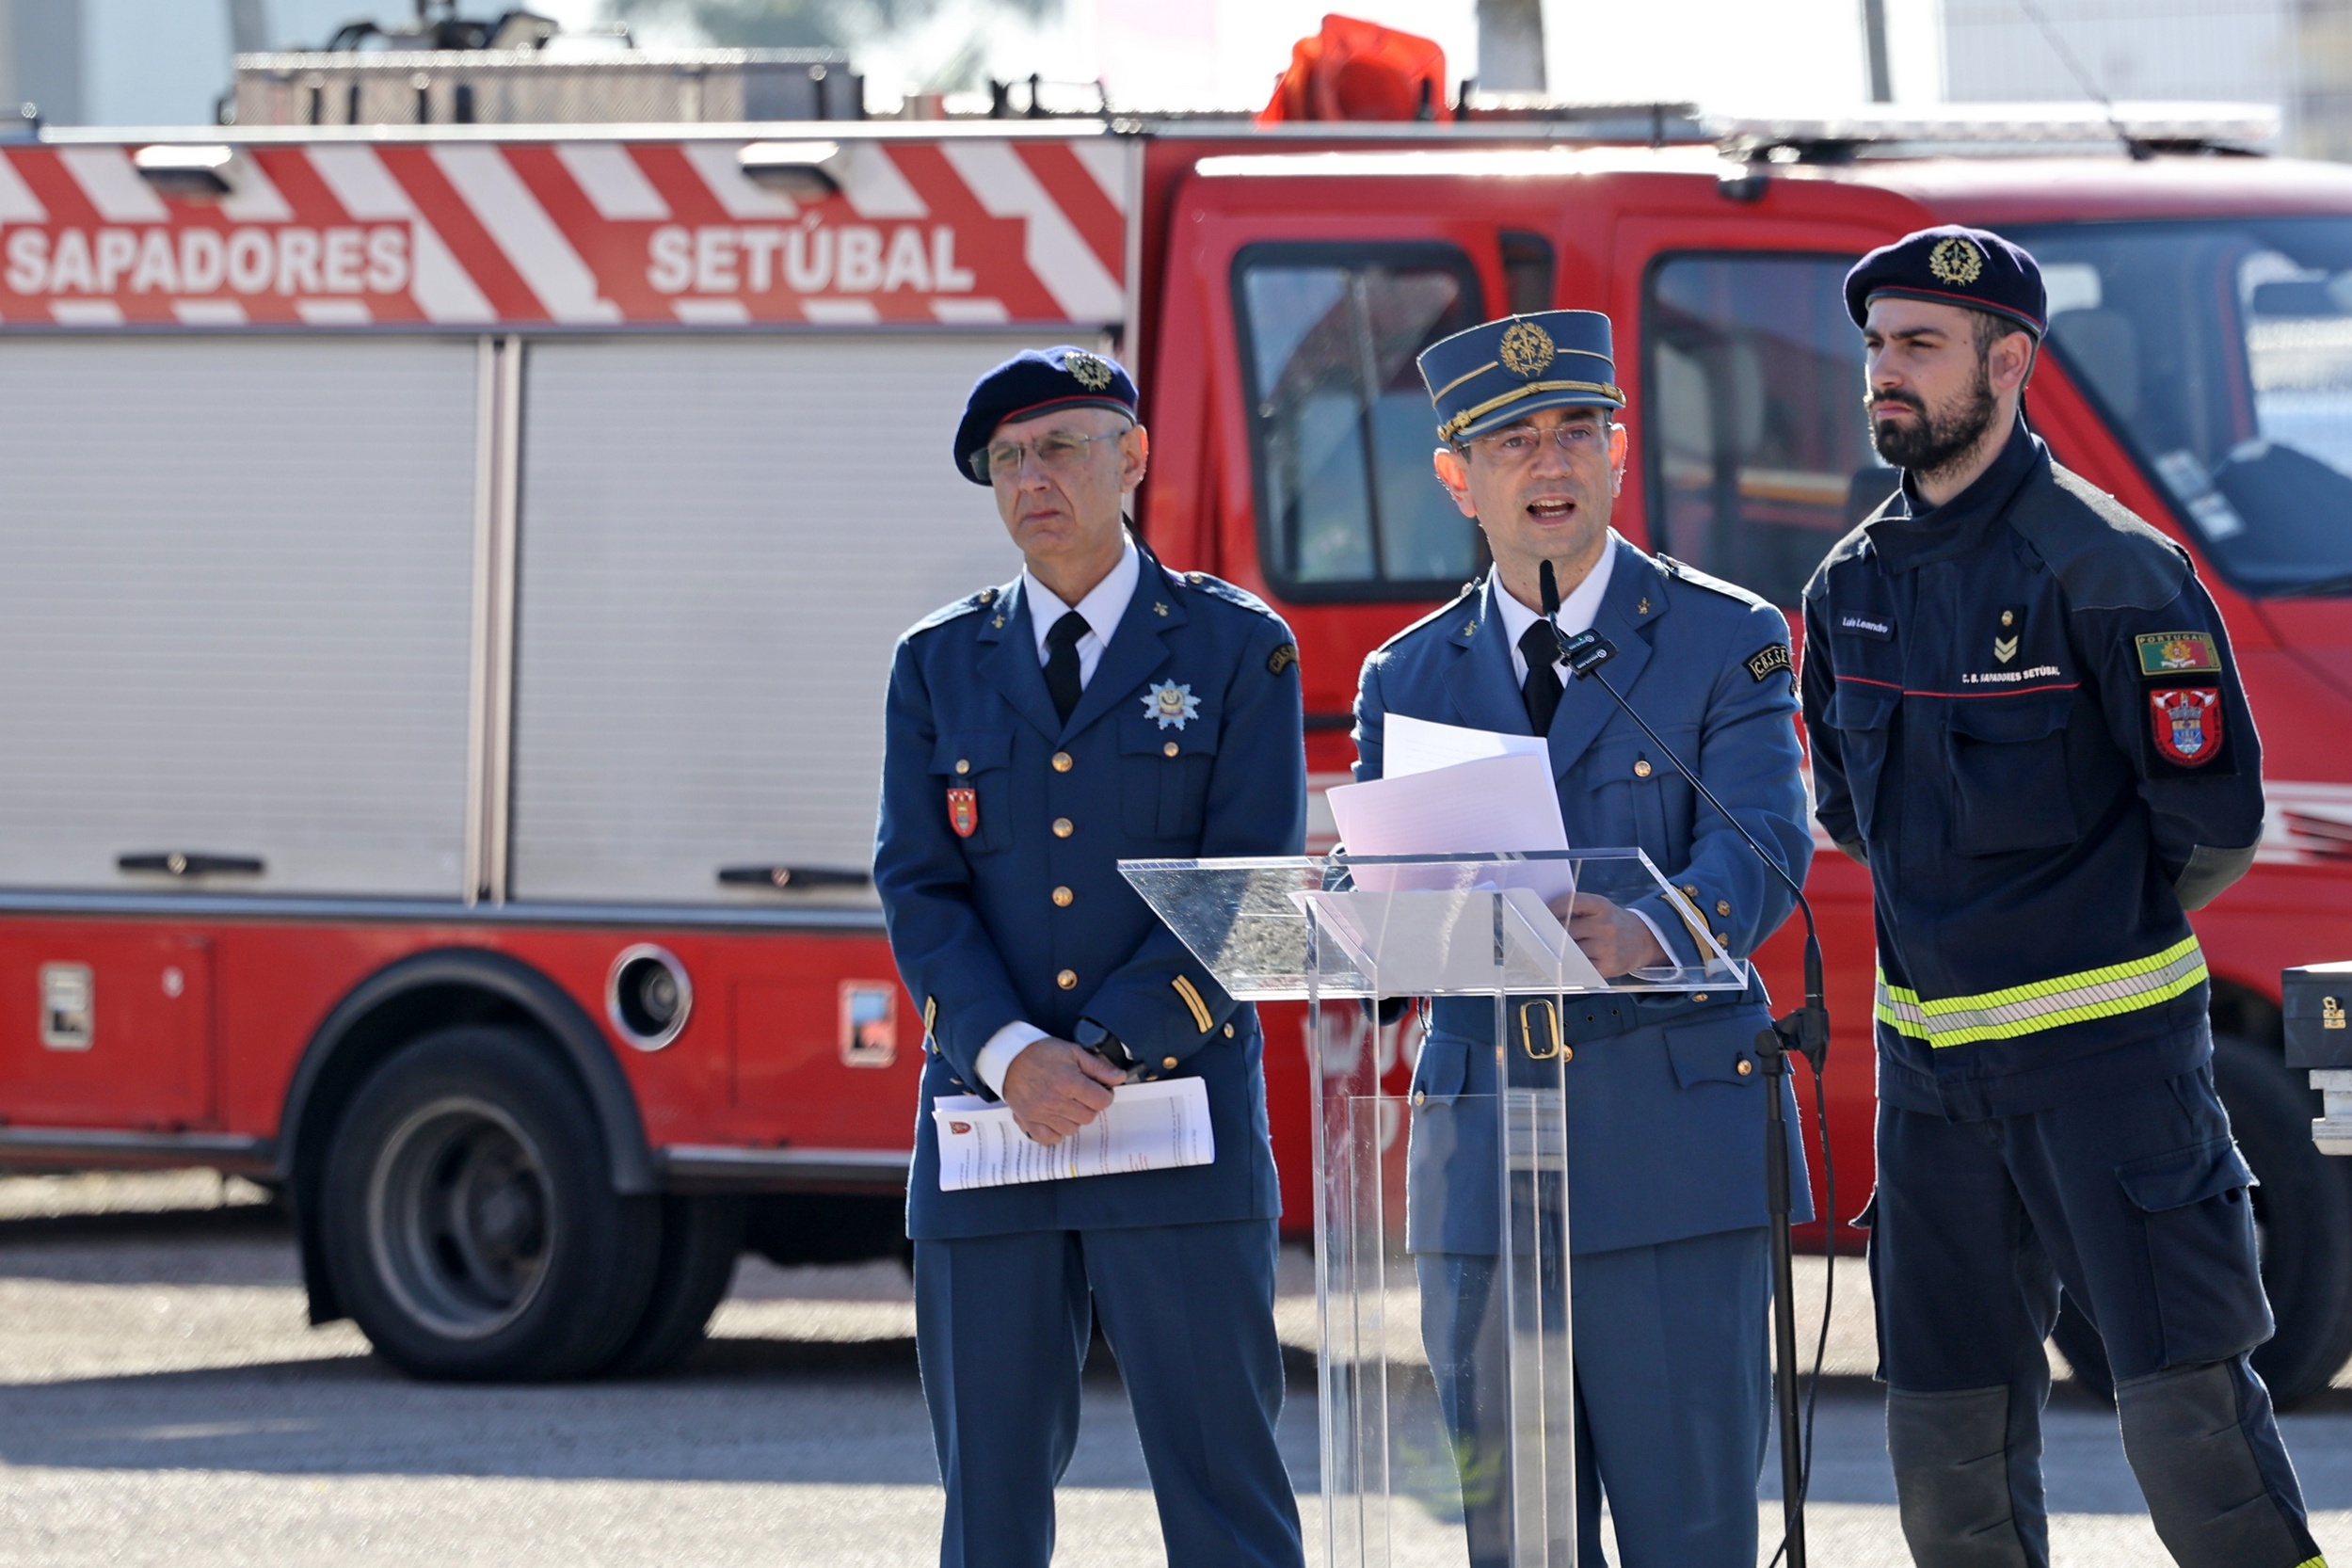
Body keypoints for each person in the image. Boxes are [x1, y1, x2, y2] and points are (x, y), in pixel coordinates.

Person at [1803, 225, 2321, 1568]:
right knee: (1947, 1473)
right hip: (1929, 1105)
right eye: (1876, 347)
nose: (1885, 376)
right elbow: (1853, 816)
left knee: (2195, 1441)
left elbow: (2208, 824)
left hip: (2113, 1084)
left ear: (2010, 361)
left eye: (1919, 345)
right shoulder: (1848, 587)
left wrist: (2080, 942)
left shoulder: (2113, 572)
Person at [1352, 309, 1816, 1567]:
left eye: (1575, 432)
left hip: (1669, 1164)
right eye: (1510, 441)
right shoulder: (1406, 675)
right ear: (1456, 477)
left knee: (1690, 1539)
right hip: (1485, 1172)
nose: (1547, 465)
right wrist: (1358, 914)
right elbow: (1377, 893)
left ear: (1620, 454)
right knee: (1517, 1544)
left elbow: (1768, 839)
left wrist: (1653, 929)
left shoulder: (1729, 636)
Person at [873, 345, 1308, 1568]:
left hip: (1173, 1117)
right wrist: (1013, 1056)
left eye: (1060, 445)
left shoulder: (1236, 649)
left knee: (1226, 1495)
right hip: (989, 1121)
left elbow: (1250, 894)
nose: (1032, 479)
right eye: (1007, 460)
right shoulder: (937, 664)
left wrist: (1103, 1050)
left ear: (1132, 457)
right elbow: (918, 883)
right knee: (991, 1506)